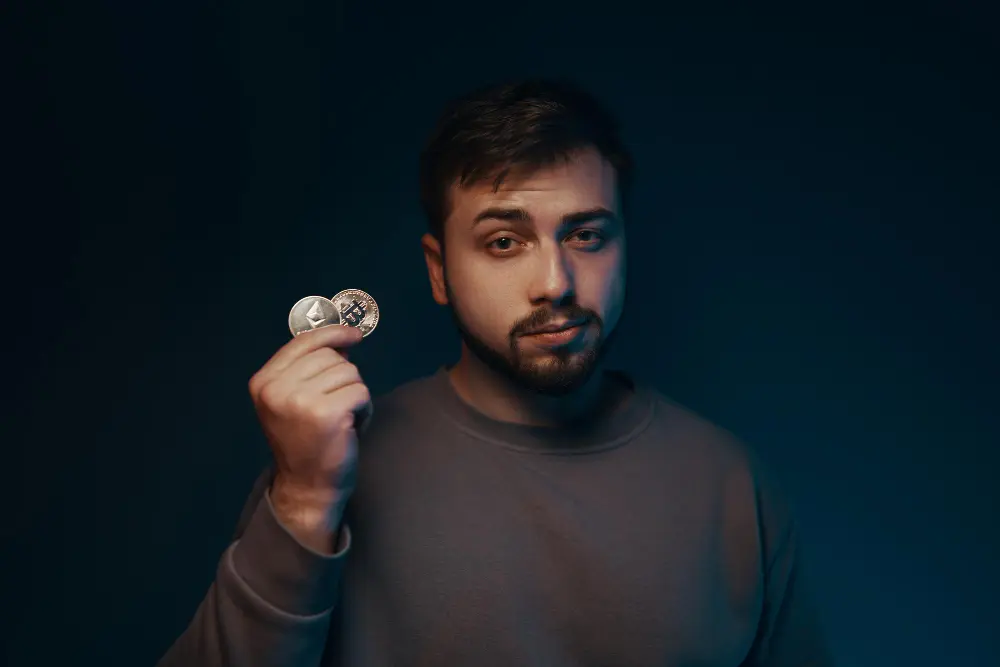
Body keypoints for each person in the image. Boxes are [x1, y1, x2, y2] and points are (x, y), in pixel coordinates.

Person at [158, 79, 833, 666]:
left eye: (586, 235)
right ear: (438, 271)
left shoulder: (731, 484)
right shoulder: (330, 468)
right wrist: (306, 502)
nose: (555, 282)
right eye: (504, 241)